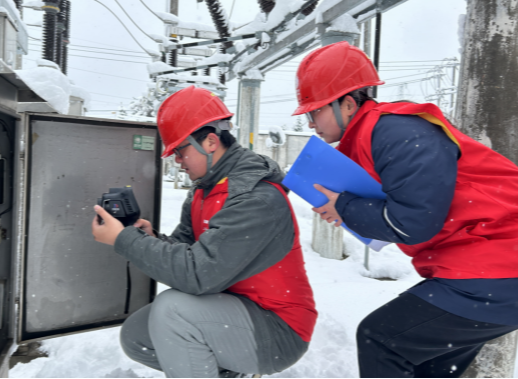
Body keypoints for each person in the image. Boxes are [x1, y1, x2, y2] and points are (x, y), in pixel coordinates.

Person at [293, 41, 518, 378]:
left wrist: (349, 207)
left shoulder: (396, 131)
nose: (311, 123)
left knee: (380, 340)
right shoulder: (371, 139)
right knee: (424, 367)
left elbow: (414, 222)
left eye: (315, 111)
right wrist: (345, 210)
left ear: (349, 104)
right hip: (484, 269)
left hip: (497, 266)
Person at [92, 86, 317, 378]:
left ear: (210, 142)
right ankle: (228, 372)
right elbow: (186, 249)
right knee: (138, 336)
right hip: (237, 309)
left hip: (277, 328)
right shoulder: (206, 189)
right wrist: (149, 239)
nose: (177, 161)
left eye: (181, 150)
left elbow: (197, 274)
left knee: (172, 312)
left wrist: (125, 240)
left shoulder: (254, 198)